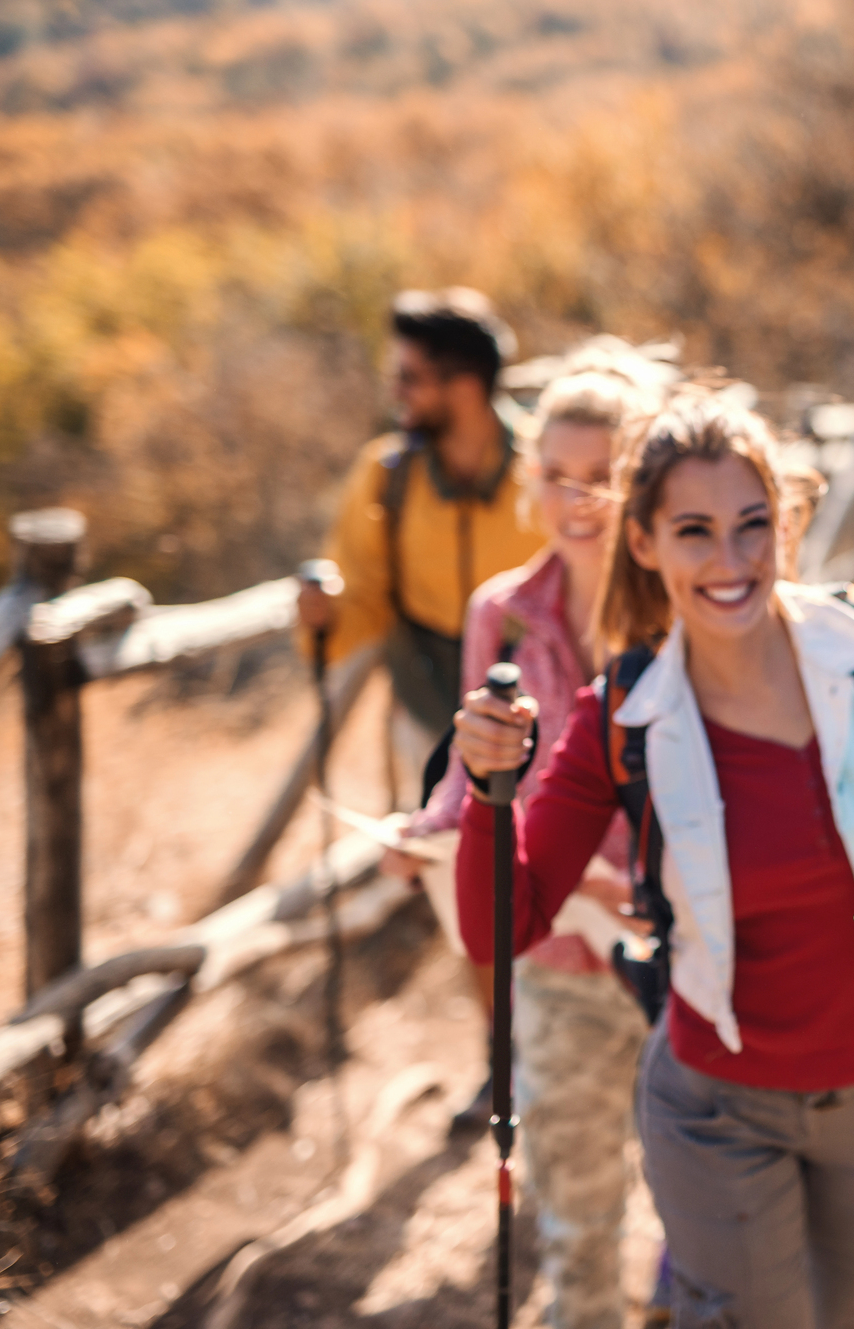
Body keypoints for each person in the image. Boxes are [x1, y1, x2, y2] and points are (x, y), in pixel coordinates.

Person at [452, 392, 854, 1329]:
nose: (731, 561)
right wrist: (485, 792)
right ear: (642, 541)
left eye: (753, 525)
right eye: (695, 531)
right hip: (719, 1108)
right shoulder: (620, 716)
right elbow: (498, 925)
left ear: (787, 524)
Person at [389, 366, 661, 1329]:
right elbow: (476, 772)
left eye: (603, 472)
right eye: (555, 472)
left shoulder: (685, 601)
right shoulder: (499, 610)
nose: (575, 497)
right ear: (528, 480)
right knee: (576, 1200)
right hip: (557, 943)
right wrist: (423, 830)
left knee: (696, 1198)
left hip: (685, 940)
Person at [298, 287, 546, 1117]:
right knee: (464, 888)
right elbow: (364, 597)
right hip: (424, 707)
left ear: (462, 382)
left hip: (535, 706)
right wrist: (326, 613)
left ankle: (571, 1044)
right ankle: (503, 1057)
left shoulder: (543, 465)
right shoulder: (388, 472)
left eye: (411, 377)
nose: (397, 392)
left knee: (555, 877)